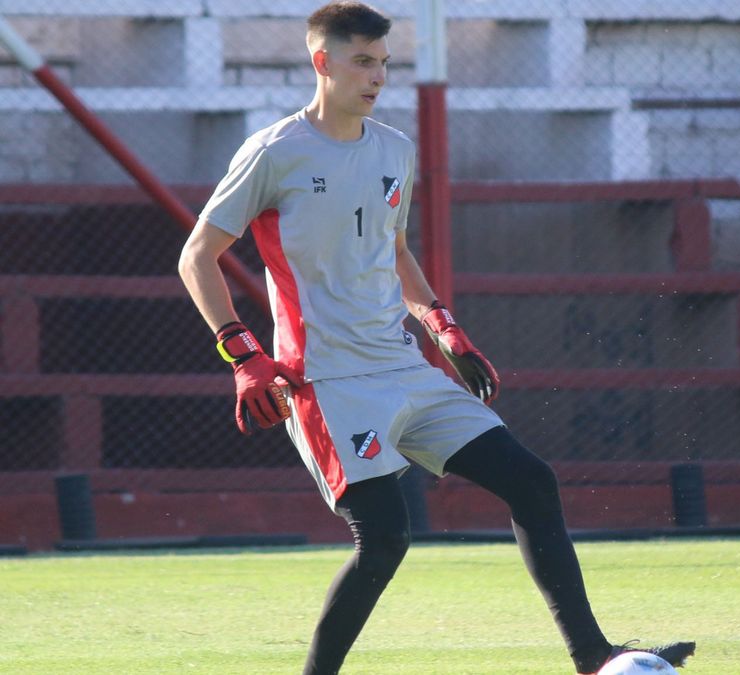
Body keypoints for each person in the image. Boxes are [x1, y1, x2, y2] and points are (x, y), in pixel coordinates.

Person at [177, 3, 695, 673]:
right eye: (363, 61)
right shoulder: (275, 152)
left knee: (532, 482)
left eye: (385, 62)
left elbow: (390, 249)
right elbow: (197, 255)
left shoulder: (394, 149)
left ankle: (594, 656)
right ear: (323, 63)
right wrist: (244, 356)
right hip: (330, 381)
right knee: (386, 537)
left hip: (404, 365)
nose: (377, 76)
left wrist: (442, 326)